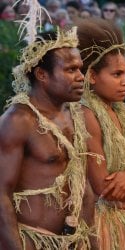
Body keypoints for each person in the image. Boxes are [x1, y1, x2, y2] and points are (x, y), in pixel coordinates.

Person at [0, 27, 91, 249]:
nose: (81, 77)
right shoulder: (18, 120)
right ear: (42, 74)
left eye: (80, 68)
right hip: (31, 240)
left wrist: (91, 240)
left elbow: (84, 187)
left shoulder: (74, 115)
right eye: (70, 69)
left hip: (72, 240)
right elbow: (1, 195)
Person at [76, 18, 125, 249]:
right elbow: (104, 188)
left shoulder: (124, 113)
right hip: (101, 225)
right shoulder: (86, 112)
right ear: (92, 76)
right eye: (116, 74)